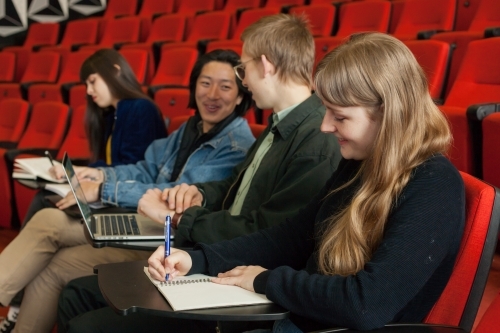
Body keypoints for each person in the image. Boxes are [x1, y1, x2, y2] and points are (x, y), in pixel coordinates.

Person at [64, 32, 465, 333]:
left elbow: (366, 304)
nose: (326, 127)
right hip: (293, 313)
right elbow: (289, 238)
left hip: (310, 322)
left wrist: (263, 280)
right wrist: (197, 262)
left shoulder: (432, 186)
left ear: (389, 113)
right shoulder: (361, 164)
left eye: (339, 117)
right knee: (79, 298)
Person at [57, 13, 341, 333]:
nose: (243, 80)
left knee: (87, 324)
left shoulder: (315, 140)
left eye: (242, 68)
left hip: (243, 279)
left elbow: (269, 233)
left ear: (265, 66)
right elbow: (236, 183)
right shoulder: (280, 123)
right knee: (77, 293)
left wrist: (180, 218)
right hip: (221, 257)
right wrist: (201, 192)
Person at [0, 49, 256, 333]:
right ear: (194, 85)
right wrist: (100, 174)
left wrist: (104, 189)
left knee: (49, 226)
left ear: (241, 95)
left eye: (225, 86)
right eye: (205, 83)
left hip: (169, 246)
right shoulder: (190, 129)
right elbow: (146, 169)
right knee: (53, 257)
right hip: (147, 228)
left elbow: (171, 197)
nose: (212, 94)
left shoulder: (236, 147)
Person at [0, 48, 169, 333]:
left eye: (93, 81)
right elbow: (113, 163)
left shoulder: (137, 108)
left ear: (115, 71)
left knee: (46, 205)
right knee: (46, 200)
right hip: (117, 193)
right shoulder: (111, 113)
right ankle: (17, 299)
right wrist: (83, 171)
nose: (88, 90)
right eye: (86, 84)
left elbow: (135, 166)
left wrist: (93, 176)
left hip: (130, 203)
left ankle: (16, 299)